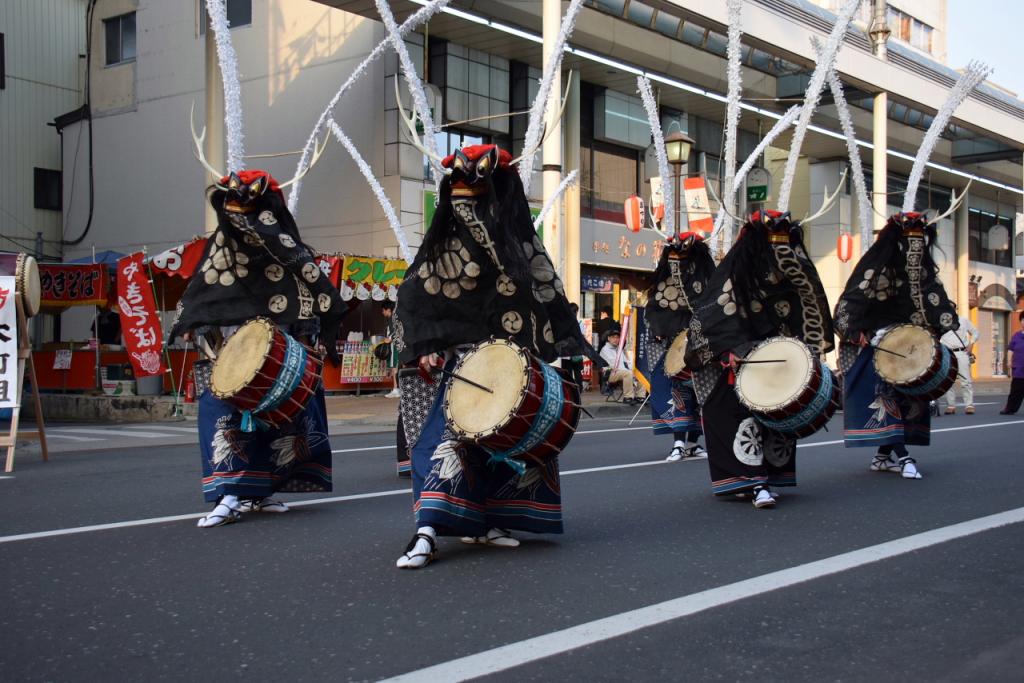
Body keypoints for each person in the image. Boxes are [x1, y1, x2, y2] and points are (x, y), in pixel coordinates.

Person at [392, 144, 595, 569]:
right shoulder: (441, 247)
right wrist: (425, 345)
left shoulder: (520, 249)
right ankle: (427, 529)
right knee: (444, 444)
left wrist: (552, 354)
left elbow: (545, 296)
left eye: (477, 202)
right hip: (451, 365)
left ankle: (483, 523)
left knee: (503, 443)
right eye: (461, 202)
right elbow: (414, 296)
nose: (468, 213)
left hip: (505, 368)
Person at [170, 170, 347, 527]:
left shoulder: (282, 246)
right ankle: (230, 494)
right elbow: (201, 294)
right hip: (229, 354)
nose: (241, 222)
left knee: (279, 423)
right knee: (227, 421)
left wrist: (309, 337)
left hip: (280, 351)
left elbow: (313, 290)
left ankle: (261, 491)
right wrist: (195, 324)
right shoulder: (220, 250)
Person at [686, 210, 835, 509]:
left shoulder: (791, 272)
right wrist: (732, 352)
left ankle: (767, 477)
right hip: (737, 358)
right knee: (740, 418)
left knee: (776, 416)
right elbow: (712, 317)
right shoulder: (734, 274)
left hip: (775, 358)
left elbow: (805, 309)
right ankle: (755, 482)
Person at [833, 212, 958, 480]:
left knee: (907, 401)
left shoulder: (921, 272)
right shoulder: (875, 267)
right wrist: (857, 332)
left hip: (909, 345)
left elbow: (933, 299)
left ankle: (882, 457)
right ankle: (903, 457)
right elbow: (851, 302)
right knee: (887, 399)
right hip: (878, 345)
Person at [643, 232, 713, 461]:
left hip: (702, 345)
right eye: (673, 255)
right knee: (680, 394)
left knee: (702, 397)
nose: (677, 261)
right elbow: (653, 311)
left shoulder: (705, 279)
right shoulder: (663, 284)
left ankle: (692, 442)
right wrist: (659, 333)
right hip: (674, 347)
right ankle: (678, 443)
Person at [940, 310, 978, 414]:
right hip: (946, 353)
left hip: (961, 352)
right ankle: (951, 406)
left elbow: (975, 332)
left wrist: (971, 344)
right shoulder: (939, 321)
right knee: (948, 380)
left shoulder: (963, 320)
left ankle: (969, 405)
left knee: (965, 379)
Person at [600, 329, 641, 403]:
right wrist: (629, 371)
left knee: (640, 374)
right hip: (610, 373)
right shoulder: (605, 349)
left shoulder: (619, 349)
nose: (616, 339)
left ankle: (640, 396)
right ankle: (628, 397)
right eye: (613, 337)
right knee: (627, 373)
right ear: (608, 338)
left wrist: (633, 370)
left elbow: (627, 362)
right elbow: (614, 365)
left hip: (621, 372)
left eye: (617, 337)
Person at [1000, 311, 1024, 415]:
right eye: (1023, 320)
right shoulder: (1016, 336)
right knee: (1015, 391)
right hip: (1018, 368)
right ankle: (1010, 409)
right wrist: (1009, 361)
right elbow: (1011, 349)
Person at [558, 302, 585, 393]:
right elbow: (582, 337)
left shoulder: (563, 323)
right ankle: (578, 390)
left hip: (567, 353)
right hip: (575, 352)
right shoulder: (580, 323)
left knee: (568, 373)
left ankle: (569, 390)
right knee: (577, 373)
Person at [380, 301, 401, 398]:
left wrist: (390, 339)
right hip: (394, 345)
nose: (382, 313)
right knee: (395, 367)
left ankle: (396, 389)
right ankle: (396, 388)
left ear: (388, 310)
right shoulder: (393, 319)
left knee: (394, 367)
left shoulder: (394, 319)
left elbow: (398, 331)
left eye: (383, 311)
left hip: (394, 346)